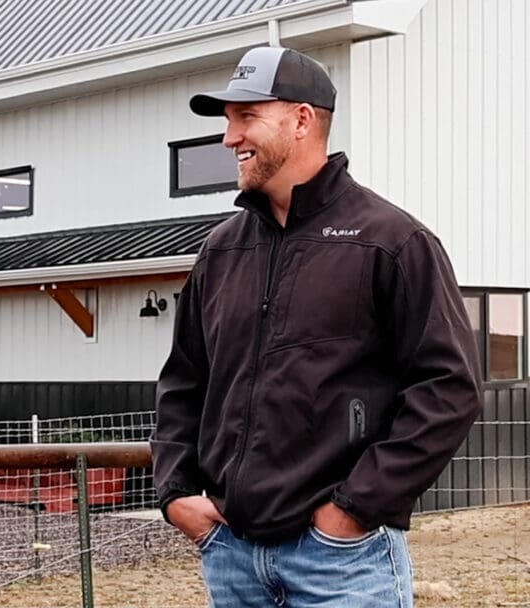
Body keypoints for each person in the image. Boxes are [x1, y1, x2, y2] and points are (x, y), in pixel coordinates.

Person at [150, 46, 482, 607]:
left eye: (246, 117)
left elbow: (449, 387)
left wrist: (352, 509)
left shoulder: (391, 243)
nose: (230, 138)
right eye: (228, 122)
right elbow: (184, 382)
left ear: (303, 120)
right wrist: (176, 492)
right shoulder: (221, 252)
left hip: (341, 565)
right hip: (232, 555)